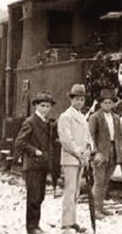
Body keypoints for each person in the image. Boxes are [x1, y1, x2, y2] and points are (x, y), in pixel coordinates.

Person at [15, 91, 56, 234]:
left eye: (48, 106)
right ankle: (31, 227)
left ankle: (36, 225)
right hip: (32, 165)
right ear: (36, 106)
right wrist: (35, 151)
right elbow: (20, 142)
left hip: (42, 165)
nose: (45, 109)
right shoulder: (30, 122)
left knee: (40, 196)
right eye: (42, 106)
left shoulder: (47, 122)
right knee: (33, 197)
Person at [58, 84, 94, 234]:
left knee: (76, 191)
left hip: (80, 159)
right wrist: (79, 152)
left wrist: (88, 149)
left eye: (82, 99)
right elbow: (66, 139)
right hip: (70, 159)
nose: (80, 102)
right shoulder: (66, 117)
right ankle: (66, 224)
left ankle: (73, 221)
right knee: (70, 190)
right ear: (71, 100)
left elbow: (87, 137)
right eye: (77, 99)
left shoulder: (82, 117)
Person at [88, 89, 122, 219]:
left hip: (113, 151)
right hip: (100, 152)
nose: (108, 105)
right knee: (98, 181)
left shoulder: (116, 118)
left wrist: (121, 154)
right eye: (105, 102)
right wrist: (94, 152)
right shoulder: (95, 117)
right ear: (100, 103)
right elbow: (90, 136)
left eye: (110, 102)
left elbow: (120, 137)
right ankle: (95, 210)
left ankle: (101, 207)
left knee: (105, 181)